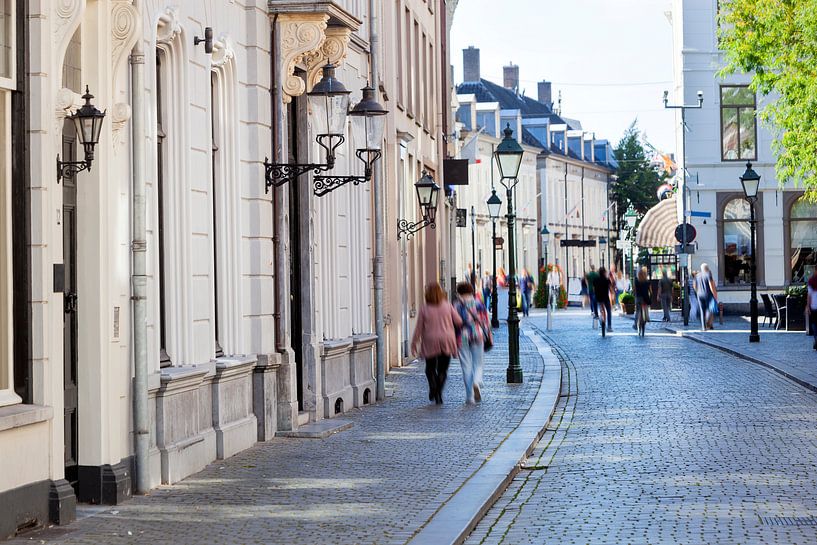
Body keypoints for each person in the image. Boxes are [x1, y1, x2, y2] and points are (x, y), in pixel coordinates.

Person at [411, 283, 462, 405]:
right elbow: (459, 321)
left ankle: (433, 387)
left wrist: (414, 342)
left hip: (430, 340)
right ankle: (438, 393)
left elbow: (419, 327)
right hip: (447, 339)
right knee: (443, 370)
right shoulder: (448, 306)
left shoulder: (425, 308)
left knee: (430, 368)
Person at [454, 282, 492, 405]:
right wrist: (488, 335)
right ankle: (477, 381)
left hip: (462, 337)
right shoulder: (479, 303)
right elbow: (486, 321)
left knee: (466, 366)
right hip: (478, 334)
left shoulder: (457, 305)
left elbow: (453, 323)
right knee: (478, 363)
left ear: (459, 292)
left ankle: (469, 396)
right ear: (471, 291)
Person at [697, 263, 718, 330]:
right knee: (709, 309)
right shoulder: (708, 274)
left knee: (702, 310)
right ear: (707, 268)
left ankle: (703, 327)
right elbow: (711, 285)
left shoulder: (697, 275)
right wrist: (715, 295)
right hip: (707, 294)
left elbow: (695, 285)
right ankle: (709, 324)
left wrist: (698, 292)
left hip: (699, 294)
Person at [593, 266, 614, 333]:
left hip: (598, 297)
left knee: (596, 304)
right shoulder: (607, 280)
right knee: (608, 311)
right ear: (604, 272)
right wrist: (612, 294)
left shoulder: (595, 280)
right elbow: (610, 289)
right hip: (605, 298)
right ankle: (609, 326)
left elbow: (594, 289)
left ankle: (596, 315)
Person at [633, 267, 652, 333]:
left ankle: (635, 324)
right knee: (645, 309)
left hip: (638, 298)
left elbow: (634, 290)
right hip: (645, 299)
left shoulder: (636, 281)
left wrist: (634, 294)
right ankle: (646, 319)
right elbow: (650, 291)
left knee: (638, 311)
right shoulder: (647, 282)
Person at [807, 269, 817, 350]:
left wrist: (808, 306)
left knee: (814, 323)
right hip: (814, 305)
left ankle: (816, 338)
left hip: (814, 305)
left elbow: (809, 295)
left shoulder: (811, 280)